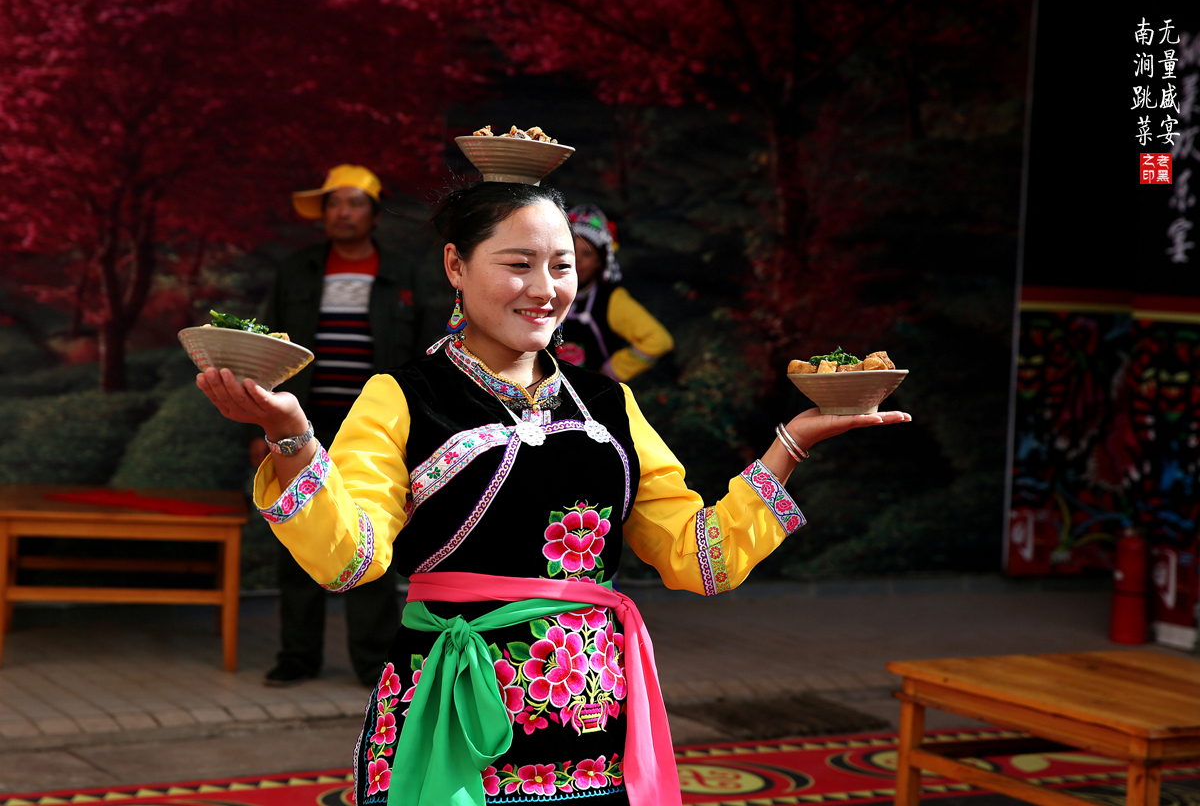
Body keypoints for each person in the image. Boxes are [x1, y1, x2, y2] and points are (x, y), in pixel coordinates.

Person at [199, 165, 909, 804]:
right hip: (456, 714)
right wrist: (293, 442)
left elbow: (702, 560)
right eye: (518, 264)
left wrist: (790, 446)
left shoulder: (607, 404)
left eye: (563, 267)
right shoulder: (402, 396)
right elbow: (351, 559)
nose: (545, 290)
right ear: (455, 265)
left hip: (593, 727)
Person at [252, 164, 443, 688]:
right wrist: (262, 428)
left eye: (354, 202)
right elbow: (265, 353)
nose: (343, 212)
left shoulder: (402, 274)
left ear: (374, 214)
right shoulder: (297, 270)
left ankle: (371, 661)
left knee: (369, 534)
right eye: (334, 203)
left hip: (375, 429)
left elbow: (426, 354)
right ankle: (298, 657)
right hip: (302, 423)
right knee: (296, 534)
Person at [559, 204, 673, 381]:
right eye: (571, 250)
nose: (576, 260)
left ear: (600, 262)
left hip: (590, 401)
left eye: (587, 254)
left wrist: (611, 372)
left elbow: (658, 340)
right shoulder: (544, 291)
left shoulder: (610, 299)